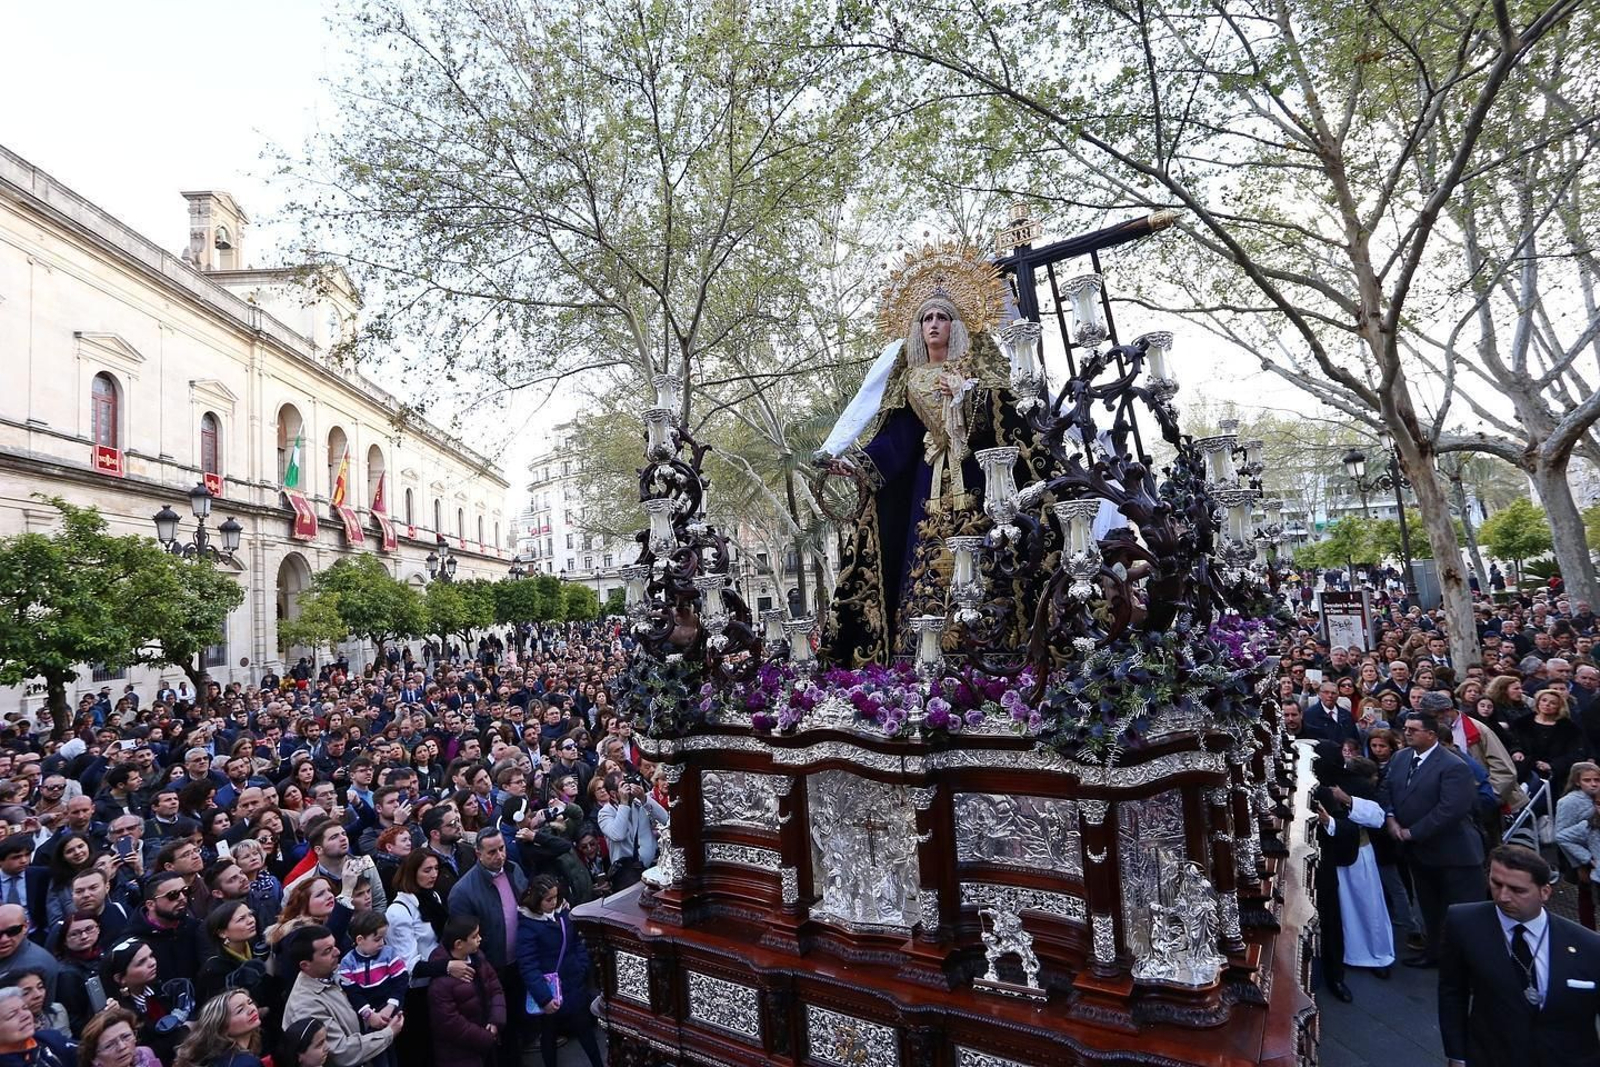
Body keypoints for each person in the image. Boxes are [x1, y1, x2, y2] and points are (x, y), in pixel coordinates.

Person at [819, 242, 1034, 665]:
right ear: (917, 329)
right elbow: (896, 438)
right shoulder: (910, 379)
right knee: (923, 563)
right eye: (926, 318)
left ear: (958, 326)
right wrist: (858, 465)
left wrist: (967, 397)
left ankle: (999, 648)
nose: (934, 324)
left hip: (978, 482)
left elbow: (1006, 423)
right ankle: (919, 652)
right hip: (926, 487)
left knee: (987, 555)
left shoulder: (981, 374)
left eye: (942, 317)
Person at [1439, 845, 1600, 1067]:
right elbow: (1452, 991)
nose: (1503, 897)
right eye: (1496, 884)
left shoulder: (1589, 945)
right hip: (1492, 1057)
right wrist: (1456, 1056)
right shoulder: (1463, 923)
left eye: (1517, 890)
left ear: (1545, 892)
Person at [1378, 713, 1487, 968]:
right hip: (1419, 853)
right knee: (1429, 908)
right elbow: (1386, 790)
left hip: (1454, 855)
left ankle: (1469, 966)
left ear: (1431, 735)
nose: (1407, 733)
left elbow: (1450, 810)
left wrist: (1412, 832)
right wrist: (1391, 818)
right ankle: (1434, 953)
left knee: (1462, 914)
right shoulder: (1400, 757)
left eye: (1414, 730)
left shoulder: (1454, 765)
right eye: (1405, 729)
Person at [444, 832, 525, 1067]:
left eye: (502, 848)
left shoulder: (513, 869)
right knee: (498, 1028)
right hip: (491, 969)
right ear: (478, 854)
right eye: (492, 852)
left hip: (519, 962)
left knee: (518, 1022)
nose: (499, 856)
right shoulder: (463, 891)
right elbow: (465, 942)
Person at [279, 927, 401, 1067]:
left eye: (334, 946)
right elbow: (341, 1053)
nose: (337, 952)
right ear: (305, 965)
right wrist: (388, 1034)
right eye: (328, 951)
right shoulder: (305, 1005)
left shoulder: (334, 973)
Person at [515, 876, 602, 1067]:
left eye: (555, 897)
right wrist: (544, 998)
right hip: (550, 990)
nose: (553, 902)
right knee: (549, 1036)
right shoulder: (527, 927)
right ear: (536, 900)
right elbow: (528, 966)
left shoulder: (562, 914)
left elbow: (576, 943)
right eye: (548, 899)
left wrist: (581, 966)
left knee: (585, 1031)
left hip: (573, 984)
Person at [424, 917, 503, 1067]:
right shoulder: (440, 984)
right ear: (459, 944)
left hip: (485, 1043)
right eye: (474, 936)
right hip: (458, 1055)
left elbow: (495, 988)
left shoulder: (478, 958)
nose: (480, 939)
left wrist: (495, 1021)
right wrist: (485, 1037)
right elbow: (450, 1023)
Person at [170, 991, 264, 1067]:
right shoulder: (246, 1063)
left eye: (250, 1002)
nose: (252, 1009)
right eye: (240, 1010)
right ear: (221, 1027)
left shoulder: (212, 1058)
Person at [78, 1006, 159, 1067]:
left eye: (126, 1036)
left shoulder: (145, 1055)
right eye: (109, 1045)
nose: (122, 1047)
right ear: (94, 1058)